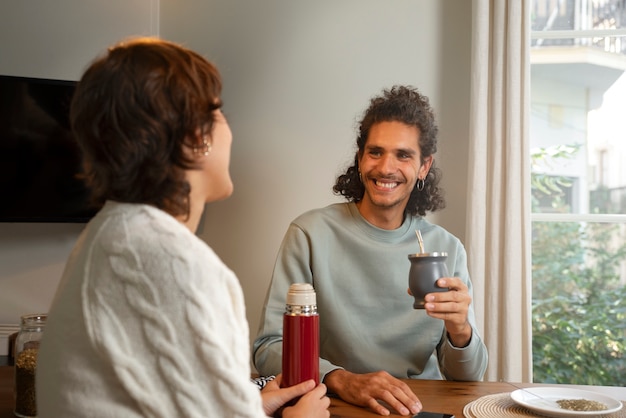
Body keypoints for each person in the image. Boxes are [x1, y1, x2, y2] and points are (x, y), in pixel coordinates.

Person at [36, 37, 330, 418]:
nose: (229, 129)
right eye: (220, 112)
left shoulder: (106, 235)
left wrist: (250, 406)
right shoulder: (175, 263)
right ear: (195, 137)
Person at [253, 85, 488, 416]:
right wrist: (341, 379)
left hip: (419, 407)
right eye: (375, 152)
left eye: (403, 155)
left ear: (423, 166)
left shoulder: (446, 248)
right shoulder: (310, 234)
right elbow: (269, 349)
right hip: (335, 405)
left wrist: (460, 329)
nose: (386, 168)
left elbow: (468, 377)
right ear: (360, 158)